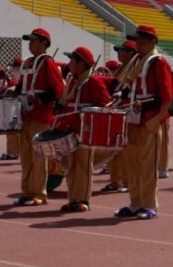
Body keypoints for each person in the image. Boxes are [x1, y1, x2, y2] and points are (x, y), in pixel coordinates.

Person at [116, 25, 173, 220]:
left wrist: (156, 120)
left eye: (142, 41)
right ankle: (135, 203)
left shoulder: (158, 62)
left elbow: (166, 96)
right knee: (133, 165)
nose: (138, 44)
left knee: (148, 166)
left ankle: (149, 205)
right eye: (137, 41)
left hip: (149, 120)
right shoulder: (136, 62)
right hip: (133, 119)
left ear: (152, 42)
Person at [54, 47, 111, 212]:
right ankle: (73, 199)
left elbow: (106, 104)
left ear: (81, 64)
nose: (69, 63)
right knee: (71, 165)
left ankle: (83, 199)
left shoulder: (93, 81)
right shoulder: (71, 80)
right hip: (69, 129)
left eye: (72, 60)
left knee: (83, 165)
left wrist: (88, 110)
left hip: (85, 130)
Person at [14, 28, 65, 206]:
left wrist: (38, 98)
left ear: (44, 43)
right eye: (30, 41)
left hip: (41, 115)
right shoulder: (27, 62)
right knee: (26, 156)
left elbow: (58, 91)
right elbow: (21, 85)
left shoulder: (48, 62)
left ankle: (39, 194)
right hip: (25, 115)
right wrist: (15, 93)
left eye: (34, 41)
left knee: (39, 157)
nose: (30, 44)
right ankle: (28, 191)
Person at [99, 41, 136, 194]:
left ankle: (127, 181)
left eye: (122, 51)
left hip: (127, 109)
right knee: (115, 147)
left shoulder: (134, 67)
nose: (119, 53)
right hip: (117, 109)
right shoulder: (122, 68)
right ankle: (115, 180)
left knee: (125, 149)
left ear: (130, 53)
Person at [0, 56, 23, 160]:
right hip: (11, 104)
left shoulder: (21, 77)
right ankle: (11, 151)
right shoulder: (14, 78)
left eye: (14, 67)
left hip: (18, 105)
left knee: (13, 129)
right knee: (10, 129)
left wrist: (12, 88)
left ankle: (14, 152)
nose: (13, 70)